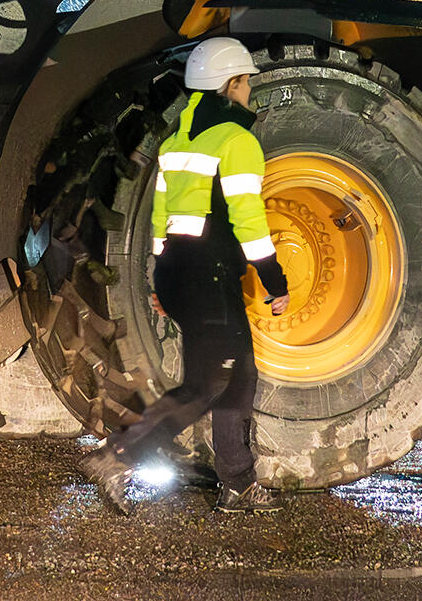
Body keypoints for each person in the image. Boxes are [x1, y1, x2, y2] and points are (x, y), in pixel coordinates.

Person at [78, 37, 291, 514]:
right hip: (209, 276)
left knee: (238, 377)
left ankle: (237, 482)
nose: (250, 89)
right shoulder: (237, 141)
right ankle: (119, 456)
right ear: (231, 84)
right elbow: (248, 220)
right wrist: (275, 281)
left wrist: (159, 280)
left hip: (179, 272)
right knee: (207, 383)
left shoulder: (179, 139)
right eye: (246, 80)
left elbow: (160, 217)